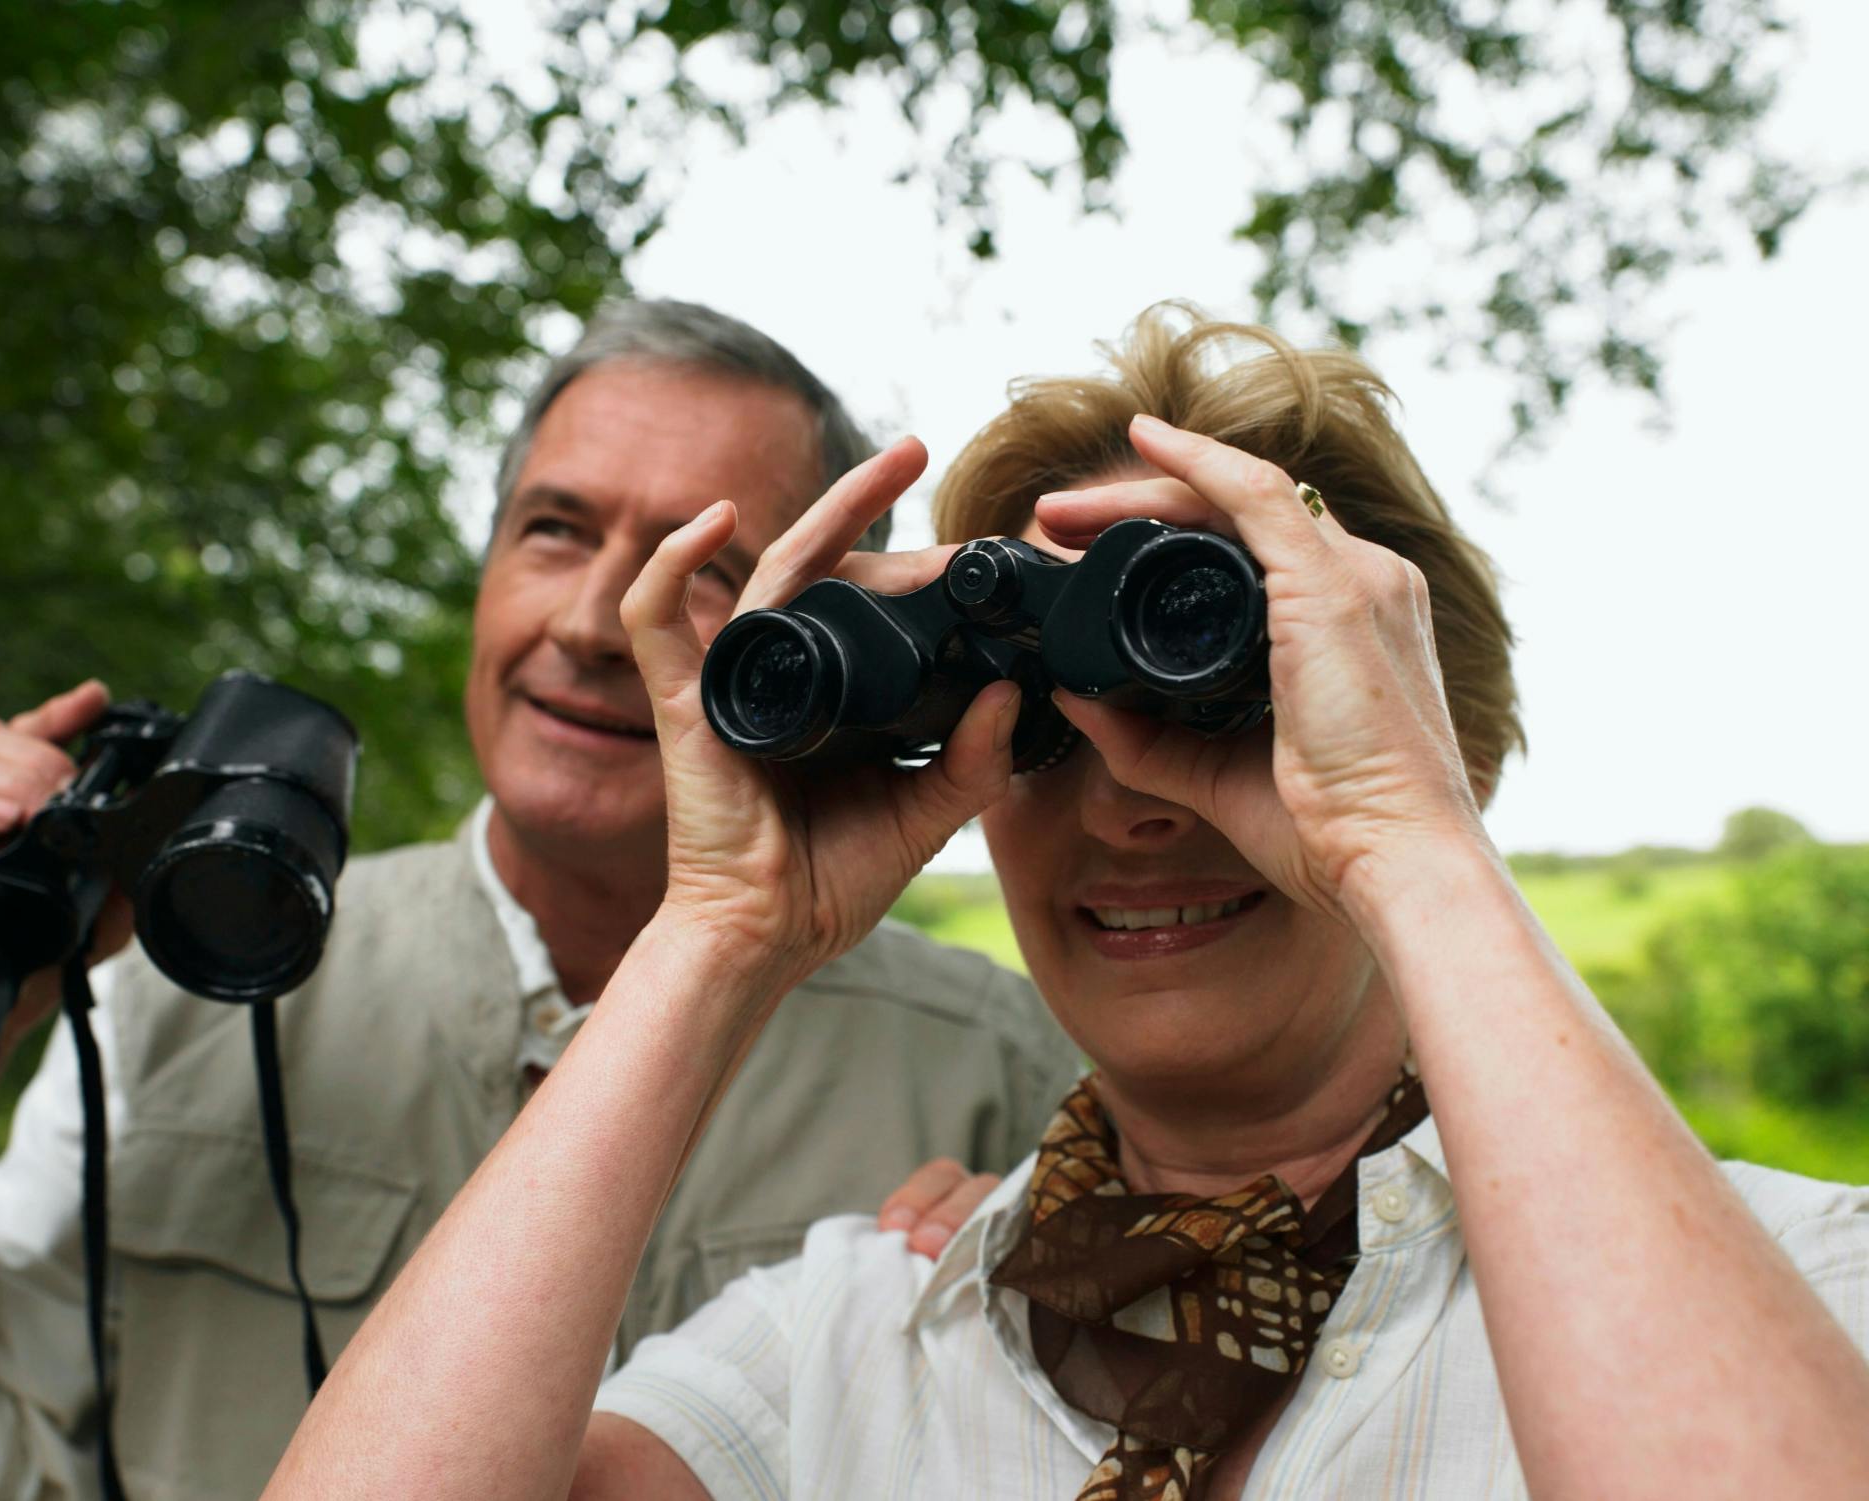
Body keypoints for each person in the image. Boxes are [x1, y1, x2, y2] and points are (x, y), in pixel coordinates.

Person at [261, 304, 1869, 1501]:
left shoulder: (1805, 1285)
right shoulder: (849, 1343)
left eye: (1229, 699)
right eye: (1037, 711)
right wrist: (718, 933)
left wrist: (1406, 838)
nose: (1127, 798)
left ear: (1426, 723)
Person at [0, 300, 1082, 1501]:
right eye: (553, 531)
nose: (590, 620)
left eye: (698, 565)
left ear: (827, 628)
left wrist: (1007, 1279)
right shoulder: (172, 994)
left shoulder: (1001, 1070)